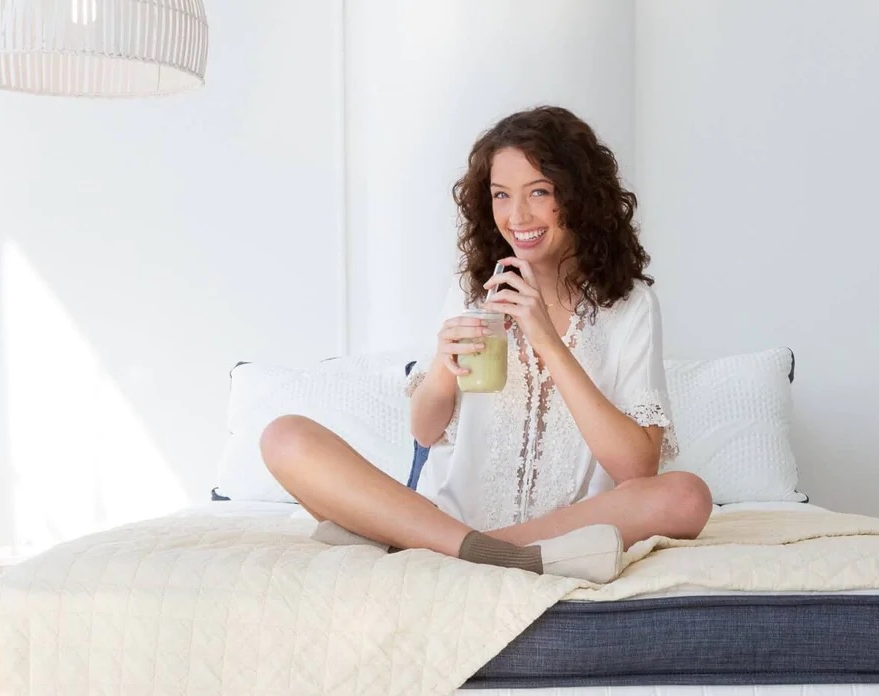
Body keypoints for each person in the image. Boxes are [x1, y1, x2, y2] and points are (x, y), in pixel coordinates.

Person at [260, 105, 712, 584]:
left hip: (563, 528)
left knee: (686, 496)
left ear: (581, 196)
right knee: (283, 436)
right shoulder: (475, 292)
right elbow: (425, 430)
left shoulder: (629, 306)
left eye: (539, 192)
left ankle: (441, 545)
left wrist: (548, 340)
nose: (517, 216)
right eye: (501, 195)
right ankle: (466, 544)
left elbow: (636, 469)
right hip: (450, 513)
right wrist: (441, 365)